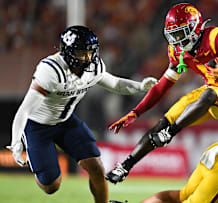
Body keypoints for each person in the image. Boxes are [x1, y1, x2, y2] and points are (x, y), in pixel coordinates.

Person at [106, 3, 218, 184]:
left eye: (180, 33)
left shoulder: (213, 38)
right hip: (208, 95)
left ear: (195, 28)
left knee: (208, 94)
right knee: (164, 121)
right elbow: (162, 86)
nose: (177, 40)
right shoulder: (178, 51)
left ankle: (169, 133)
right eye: (173, 34)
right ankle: (125, 166)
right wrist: (136, 112)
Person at [6, 25, 157, 203]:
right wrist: (16, 142)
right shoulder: (51, 71)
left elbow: (115, 83)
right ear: (67, 52)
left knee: (96, 167)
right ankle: (40, 167)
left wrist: (140, 87)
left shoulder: (94, 67)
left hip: (65, 122)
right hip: (38, 126)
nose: (87, 58)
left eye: (90, 52)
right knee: (51, 186)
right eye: (81, 53)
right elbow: (25, 109)